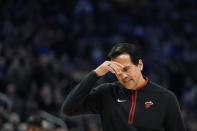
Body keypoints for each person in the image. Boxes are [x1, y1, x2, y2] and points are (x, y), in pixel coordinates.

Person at [61, 43, 186, 131]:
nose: (123, 76)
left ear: (140, 65)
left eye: (127, 69)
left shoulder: (166, 98)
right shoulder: (106, 93)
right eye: (118, 71)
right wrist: (95, 74)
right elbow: (69, 109)